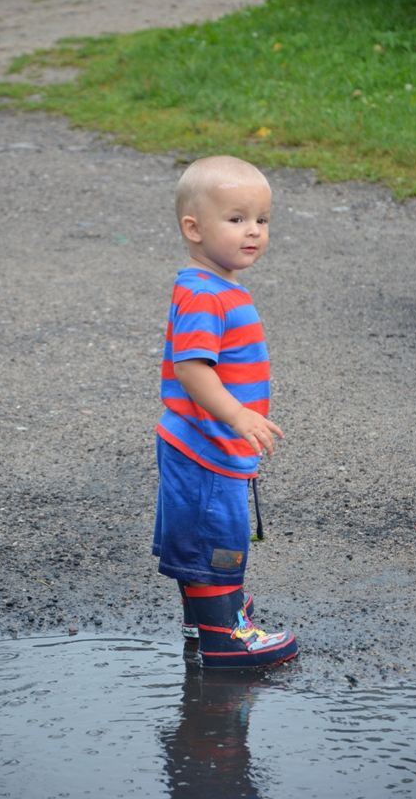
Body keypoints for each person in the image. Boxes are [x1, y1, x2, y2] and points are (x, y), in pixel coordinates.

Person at [152, 155, 298, 668]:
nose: (253, 231)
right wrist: (238, 415)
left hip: (206, 443)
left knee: (203, 534)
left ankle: (207, 613)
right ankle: (225, 638)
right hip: (208, 446)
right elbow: (193, 370)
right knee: (217, 537)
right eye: (236, 220)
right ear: (193, 228)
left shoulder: (215, 285)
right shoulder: (205, 296)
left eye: (261, 220)